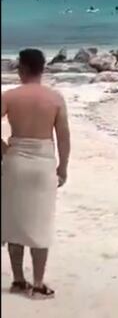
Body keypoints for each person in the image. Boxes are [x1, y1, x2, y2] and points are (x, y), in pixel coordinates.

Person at [0, 48, 71, 299]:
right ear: (42, 69)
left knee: (14, 222)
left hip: (15, 161)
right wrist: (63, 167)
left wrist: (5, 149)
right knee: (40, 223)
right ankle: (38, 283)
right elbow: (63, 136)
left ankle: (19, 280)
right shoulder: (54, 98)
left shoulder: (10, 96)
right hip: (42, 164)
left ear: (23, 69)